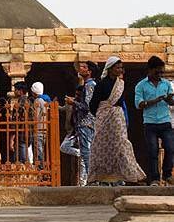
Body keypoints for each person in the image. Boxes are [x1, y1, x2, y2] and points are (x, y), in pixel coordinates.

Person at [88, 56, 145, 185]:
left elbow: (121, 102)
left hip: (117, 117)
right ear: (110, 68)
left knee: (121, 143)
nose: (120, 70)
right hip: (104, 117)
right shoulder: (101, 84)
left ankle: (128, 175)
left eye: (121, 67)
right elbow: (93, 104)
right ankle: (100, 176)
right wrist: (101, 115)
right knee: (100, 145)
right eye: (117, 67)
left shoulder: (121, 84)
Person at [134, 56, 174, 186]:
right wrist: (156, 100)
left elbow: (171, 101)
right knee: (152, 151)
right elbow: (139, 104)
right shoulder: (141, 85)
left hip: (165, 121)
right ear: (150, 70)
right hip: (150, 122)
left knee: (170, 148)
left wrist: (169, 100)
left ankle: (167, 174)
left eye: (161, 72)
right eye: (157, 72)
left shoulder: (166, 84)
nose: (160, 75)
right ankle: (155, 179)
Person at [65, 61, 98, 185]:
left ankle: (92, 179)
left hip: (86, 122)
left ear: (89, 72)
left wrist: (73, 103)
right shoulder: (87, 85)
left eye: (84, 67)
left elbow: (87, 106)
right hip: (85, 122)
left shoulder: (90, 85)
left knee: (86, 152)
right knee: (87, 152)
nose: (81, 68)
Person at [60, 85, 86, 184]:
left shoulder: (83, 103)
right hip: (73, 132)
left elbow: (86, 109)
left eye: (79, 95)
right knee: (63, 147)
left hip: (83, 130)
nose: (76, 96)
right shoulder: (71, 103)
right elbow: (62, 109)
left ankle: (83, 182)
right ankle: (79, 153)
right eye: (76, 94)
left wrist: (74, 102)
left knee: (83, 162)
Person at [9, 81, 31, 163]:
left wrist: (12, 136)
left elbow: (17, 120)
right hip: (27, 131)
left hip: (21, 132)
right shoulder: (28, 101)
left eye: (15, 89)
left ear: (20, 91)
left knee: (23, 157)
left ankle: (28, 172)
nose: (14, 91)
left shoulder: (20, 103)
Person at [30, 82, 49, 168]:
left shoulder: (38, 101)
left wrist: (30, 122)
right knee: (40, 149)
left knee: (38, 150)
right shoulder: (45, 100)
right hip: (44, 128)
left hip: (38, 129)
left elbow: (36, 117)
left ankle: (40, 168)